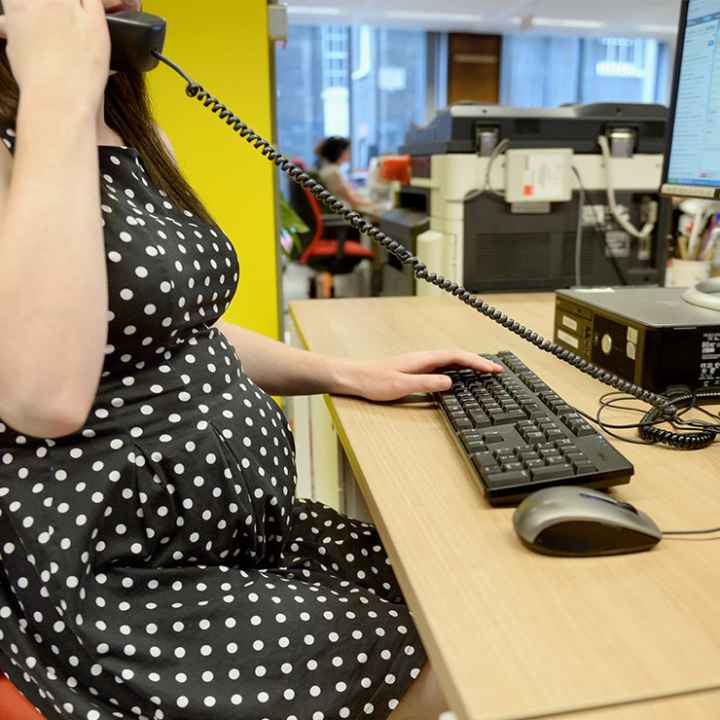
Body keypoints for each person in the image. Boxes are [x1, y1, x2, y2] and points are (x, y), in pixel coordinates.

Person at [0, 2, 503, 719]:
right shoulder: (28, 142)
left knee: (465, 588)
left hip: (247, 533)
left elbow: (178, 329)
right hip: (121, 576)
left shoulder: (137, 138)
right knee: (429, 661)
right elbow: (41, 396)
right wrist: (52, 90)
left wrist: (344, 372)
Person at [315, 135, 376, 212]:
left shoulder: (329, 169)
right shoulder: (332, 172)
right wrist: (376, 204)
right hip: (344, 214)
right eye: (348, 150)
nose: (350, 154)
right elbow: (352, 200)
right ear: (339, 152)